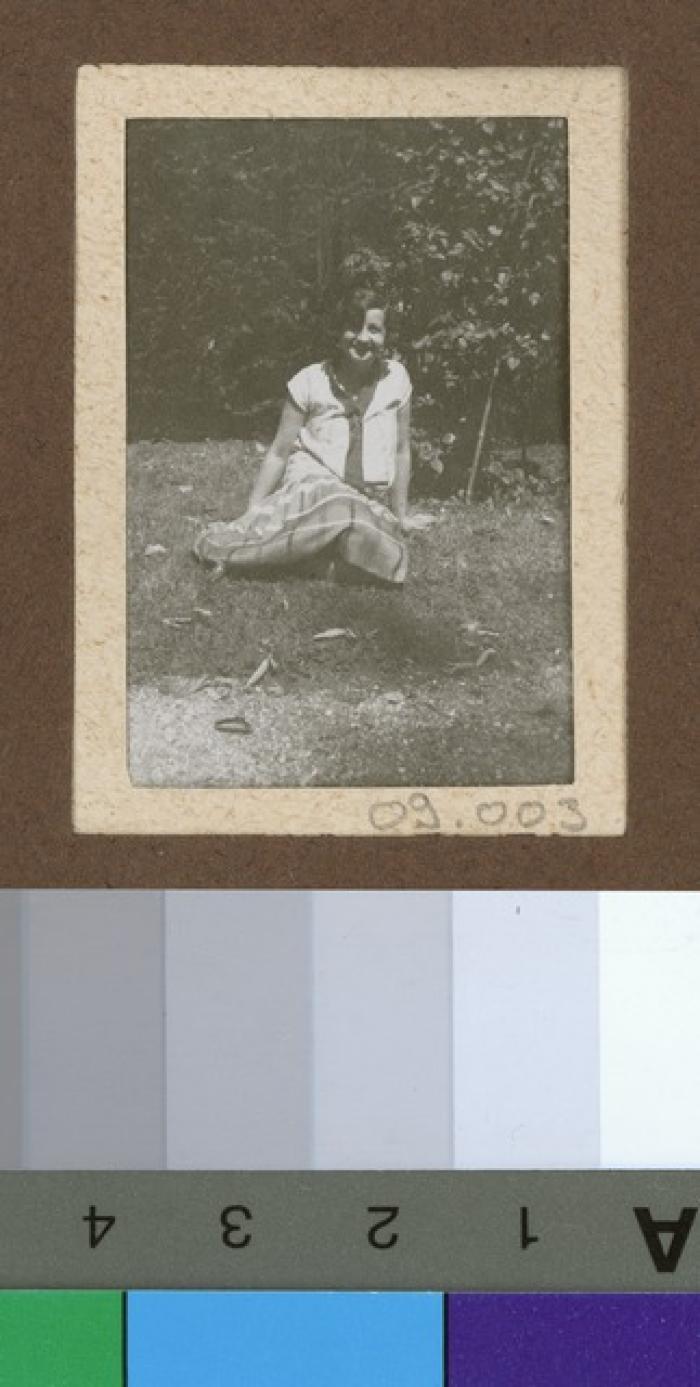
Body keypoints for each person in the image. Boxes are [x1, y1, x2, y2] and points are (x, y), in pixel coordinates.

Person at [193, 286, 432, 585]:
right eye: (352, 327)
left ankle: (298, 562)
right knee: (343, 511)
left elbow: (401, 449)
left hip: (367, 497)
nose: (362, 338)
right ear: (337, 332)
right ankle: (251, 553)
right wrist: (254, 511)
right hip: (315, 484)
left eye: (373, 329)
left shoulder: (396, 379)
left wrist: (401, 515)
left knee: (384, 547)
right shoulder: (309, 381)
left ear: (385, 335)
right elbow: (280, 451)